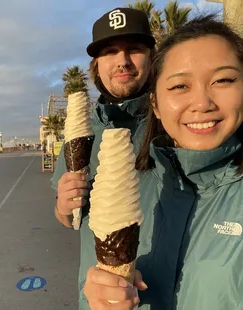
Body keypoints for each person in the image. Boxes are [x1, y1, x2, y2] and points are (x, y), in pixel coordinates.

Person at [83, 15, 243, 310]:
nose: (202, 102)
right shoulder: (133, 185)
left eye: (223, 80)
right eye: (180, 86)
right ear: (154, 104)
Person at [51, 7, 155, 230]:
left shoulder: (176, 124)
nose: (123, 61)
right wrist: (63, 207)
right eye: (110, 51)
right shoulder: (81, 132)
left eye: (134, 49)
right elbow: (67, 219)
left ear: (151, 58)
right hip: (95, 265)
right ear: (96, 64)